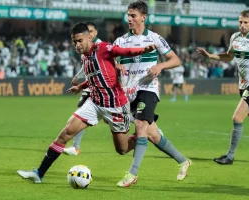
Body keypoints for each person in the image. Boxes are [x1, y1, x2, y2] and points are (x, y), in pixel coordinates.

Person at [17, 22, 156, 183]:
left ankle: (143, 135)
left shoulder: (103, 48)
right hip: (94, 103)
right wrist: (80, 87)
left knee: (122, 149)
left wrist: (144, 50)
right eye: (74, 42)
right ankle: (39, 174)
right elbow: (93, 77)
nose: (77, 45)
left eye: (80, 40)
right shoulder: (85, 57)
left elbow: (125, 51)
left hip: (116, 106)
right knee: (65, 134)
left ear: (89, 37)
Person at [113, 0, 191, 187]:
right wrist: (118, 64)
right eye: (128, 15)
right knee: (152, 134)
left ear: (143, 17)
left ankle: (132, 173)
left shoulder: (155, 38)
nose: (129, 19)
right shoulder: (121, 41)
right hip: (129, 93)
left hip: (148, 89)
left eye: (133, 15)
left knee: (140, 126)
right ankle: (183, 160)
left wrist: (160, 66)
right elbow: (110, 63)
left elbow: (175, 60)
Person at [197, 10, 249, 165]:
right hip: (243, 85)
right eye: (240, 22)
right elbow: (229, 56)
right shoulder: (235, 37)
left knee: (237, 117)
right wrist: (210, 56)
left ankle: (230, 156)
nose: (242, 25)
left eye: (246, 22)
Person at [63, 22, 102, 156]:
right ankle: (75, 147)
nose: (90, 33)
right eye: (88, 31)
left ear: (95, 33)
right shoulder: (85, 48)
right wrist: (78, 76)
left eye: (91, 31)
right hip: (91, 86)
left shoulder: (101, 47)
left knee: (125, 117)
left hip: (104, 90)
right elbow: (85, 66)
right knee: (82, 114)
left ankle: (151, 129)